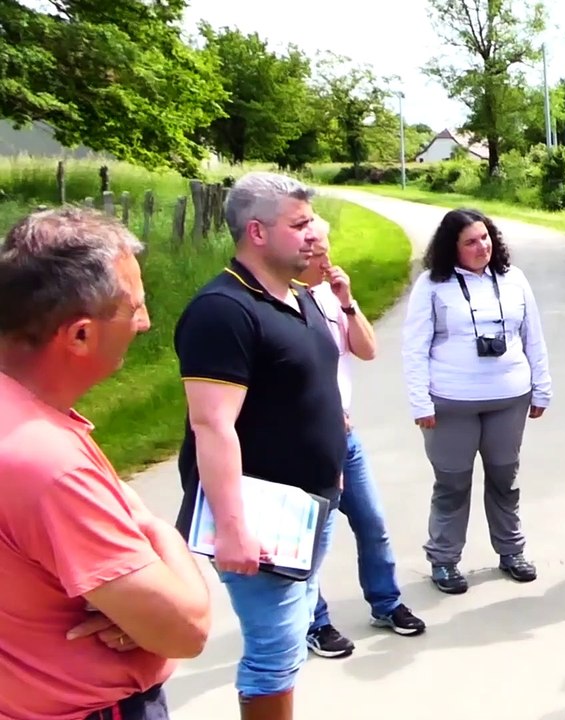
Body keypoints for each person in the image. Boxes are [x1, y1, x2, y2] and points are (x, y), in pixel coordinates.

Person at [0, 207, 211, 720]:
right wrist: (154, 530)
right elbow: (186, 628)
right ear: (79, 336)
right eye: (134, 308)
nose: (146, 323)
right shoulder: (46, 463)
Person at [173, 172, 346, 719]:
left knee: (292, 635)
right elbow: (212, 426)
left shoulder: (298, 297)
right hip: (261, 516)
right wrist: (232, 527)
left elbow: (309, 382)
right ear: (257, 232)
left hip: (313, 504)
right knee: (273, 653)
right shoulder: (223, 311)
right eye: (298, 224)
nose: (313, 233)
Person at [402, 208, 551, 595]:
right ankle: (445, 560)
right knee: (452, 485)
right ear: (452, 249)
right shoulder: (432, 286)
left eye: (485, 238)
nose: (481, 246)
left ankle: (511, 552)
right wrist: (421, 403)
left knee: (505, 479)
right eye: (470, 242)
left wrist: (542, 387)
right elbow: (414, 347)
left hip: (509, 397)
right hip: (451, 402)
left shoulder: (513, 279)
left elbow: (533, 336)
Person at [297, 218, 426, 659]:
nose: (326, 260)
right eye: (317, 253)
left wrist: (347, 303)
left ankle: (385, 603)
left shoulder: (328, 297)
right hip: (306, 444)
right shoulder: (281, 304)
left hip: (346, 439)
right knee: (313, 538)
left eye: (328, 250)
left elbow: (368, 351)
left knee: (372, 524)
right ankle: (314, 622)